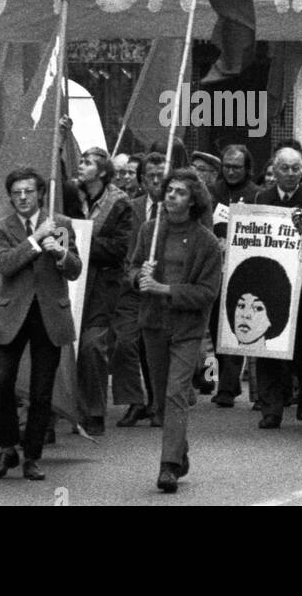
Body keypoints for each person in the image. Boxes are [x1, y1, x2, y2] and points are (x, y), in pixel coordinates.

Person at [127, 167, 222, 493]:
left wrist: (164, 288)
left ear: (192, 201)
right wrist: (140, 276)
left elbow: (207, 292)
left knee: (175, 392)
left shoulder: (207, 242)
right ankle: (178, 450)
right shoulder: (149, 231)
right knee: (163, 399)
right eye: (169, 190)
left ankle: (167, 467)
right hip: (153, 324)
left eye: (180, 192)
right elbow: (133, 267)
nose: (171, 196)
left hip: (187, 329)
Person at [0, 167, 82, 481]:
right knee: (1, 384)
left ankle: (32, 456)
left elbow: (75, 270)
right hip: (12, 314)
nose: (23, 198)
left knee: (41, 392)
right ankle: (6, 448)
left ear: (40, 193)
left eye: (28, 191)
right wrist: (37, 239)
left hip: (48, 313)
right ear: (10, 197)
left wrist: (61, 254)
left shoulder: (62, 224)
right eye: (17, 193)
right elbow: (6, 265)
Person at [251, 147, 302, 428]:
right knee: (267, 347)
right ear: (273, 169)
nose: (290, 174)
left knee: (300, 349)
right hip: (269, 286)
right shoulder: (262, 199)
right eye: (284, 168)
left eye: (296, 168)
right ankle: (271, 409)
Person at [64, 146, 133, 436]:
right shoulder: (70, 194)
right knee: (66, 345)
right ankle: (67, 408)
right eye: (80, 161)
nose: (81, 166)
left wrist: (83, 241)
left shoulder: (120, 203)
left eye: (88, 163)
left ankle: (94, 411)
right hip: (70, 280)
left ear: (102, 172)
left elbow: (119, 248)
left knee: (93, 346)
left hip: (102, 285)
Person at [111, 152, 166, 427]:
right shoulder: (130, 207)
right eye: (152, 176)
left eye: (162, 176)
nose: (157, 181)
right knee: (124, 343)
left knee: (156, 347)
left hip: (162, 289)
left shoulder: (177, 208)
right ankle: (135, 401)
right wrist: (131, 275)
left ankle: (159, 403)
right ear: (142, 179)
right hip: (131, 287)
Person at [208, 144, 260, 408]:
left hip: (243, 270)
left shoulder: (256, 194)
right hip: (213, 269)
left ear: (247, 168)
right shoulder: (211, 192)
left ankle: (228, 388)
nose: (230, 171)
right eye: (226, 166)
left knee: (236, 325)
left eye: (236, 167)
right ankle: (216, 379)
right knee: (215, 328)